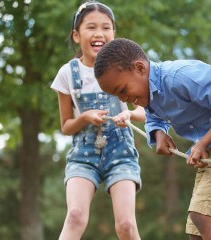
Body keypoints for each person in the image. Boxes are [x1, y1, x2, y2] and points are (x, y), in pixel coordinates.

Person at [94, 38, 211, 240]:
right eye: (116, 96)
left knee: (202, 215)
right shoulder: (150, 94)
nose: (122, 99)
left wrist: (202, 142)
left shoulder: (181, 76)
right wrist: (158, 133)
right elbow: (153, 116)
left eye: (122, 90)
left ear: (139, 68)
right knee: (196, 231)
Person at [50, 2, 145, 239]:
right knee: (75, 216)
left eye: (106, 28)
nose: (99, 34)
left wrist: (130, 114)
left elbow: (146, 112)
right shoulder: (67, 74)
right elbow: (65, 126)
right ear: (76, 35)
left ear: (114, 33)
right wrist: (83, 117)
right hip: (83, 155)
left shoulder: (127, 68)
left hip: (120, 152)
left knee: (126, 225)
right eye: (91, 27)